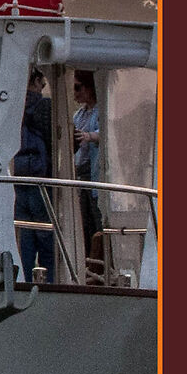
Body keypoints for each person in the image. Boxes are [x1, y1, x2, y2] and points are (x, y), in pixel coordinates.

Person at [10, 66, 56, 284]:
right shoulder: (44, 106)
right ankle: (50, 283)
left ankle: (25, 281)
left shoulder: (13, 106)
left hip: (19, 178)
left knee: (25, 238)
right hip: (40, 180)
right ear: (36, 81)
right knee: (47, 240)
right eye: (42, 83)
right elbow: (57, 140)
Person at [73, 70, 102, 266]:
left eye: (78, 88)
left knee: (97, 218)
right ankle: (88, 264)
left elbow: (105, 131)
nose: (75, 93)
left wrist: (89, 136)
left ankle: (100, 263)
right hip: (81, 171)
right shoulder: (79, 114)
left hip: (96, 172)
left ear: (89, 88)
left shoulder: (100, 111)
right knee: (85, 222)